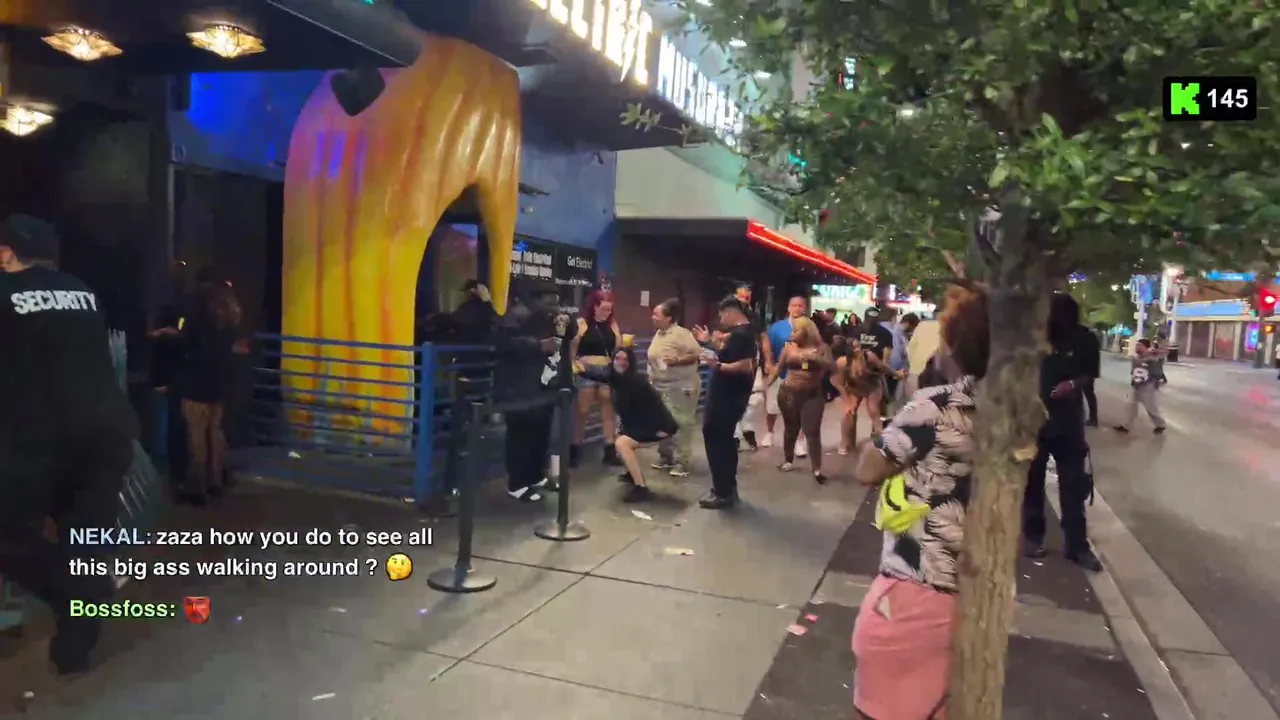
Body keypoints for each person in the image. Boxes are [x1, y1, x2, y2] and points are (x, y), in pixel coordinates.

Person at [0, 213, 137, 674]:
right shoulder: (82, 291)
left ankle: (69, 593)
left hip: (38, 439)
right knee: (88, 541)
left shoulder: (4, 293)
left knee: (9, 536)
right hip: (104, 434)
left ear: (7, 253)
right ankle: (76, 646)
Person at [848, 284, 988, 720]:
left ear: (957, 346)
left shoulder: (938, 406)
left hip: (917, 588)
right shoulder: (1015, 412)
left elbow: (869, 469)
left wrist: (880, 434)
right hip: (973, 589)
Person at [1022, 293, 1103, 571]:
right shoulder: (1034, 337)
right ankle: (1032, 537)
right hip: (1034, 421)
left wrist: (1073, 384)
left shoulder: (1085, 339)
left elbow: (1090, 373)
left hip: (1068, 422)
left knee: (1073, 485)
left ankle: (1077, 546)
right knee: (1032, 483)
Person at [493, 280, 576, 502]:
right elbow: (503, 344)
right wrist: (538, 345)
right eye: (551, 300)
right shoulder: (517, 314)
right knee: (521, 435)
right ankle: (517, 483)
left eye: (557, 301)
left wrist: (568, 321)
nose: (555, 305)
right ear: (538, 298)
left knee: (541, 433)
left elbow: (569, 335)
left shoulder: (552, 316)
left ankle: (536, 475)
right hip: (519, 386)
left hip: (544, 385)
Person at [173, 280, 242, 504]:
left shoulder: (199, 316)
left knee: (197, 435)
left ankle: (197, 487)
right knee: (215, 432)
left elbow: (184, 342)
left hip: (197, 381)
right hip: (219, 383)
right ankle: (215, 482)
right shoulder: (231, 319)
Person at [580, 347, 679, 502]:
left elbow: (654, 410)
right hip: (642, 424)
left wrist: (661, 430)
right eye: (618, 358)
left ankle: (641, 488)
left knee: (622, 443)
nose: (621, 362)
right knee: (620, 435)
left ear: (631, 363)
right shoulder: (617, 378)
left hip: (658, 426)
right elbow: (598, 375)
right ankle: (631, 474)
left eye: (625, 360)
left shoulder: (634, 382)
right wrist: (580, 368)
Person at [693, 297, 759, 510]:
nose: (721, 320)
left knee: (716, 438)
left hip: (728, 397)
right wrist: (708, 342)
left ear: (730, 312)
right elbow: (728, 353)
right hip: (730, 396)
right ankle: (726, 487)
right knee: (723, 439)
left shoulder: (742, 335)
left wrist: (718, 366)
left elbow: (744, 365)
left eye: (722, 315)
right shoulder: (743, 334)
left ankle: (723, 492)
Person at [764, 316, 832, 483]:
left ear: (807, 331)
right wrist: (767, 384)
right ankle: (788, 460)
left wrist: (816, 358)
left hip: (813, 393)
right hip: (789, 392)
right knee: (790, 428)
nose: (791, 334)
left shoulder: (821, 348)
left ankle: (817, 469)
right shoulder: (788, 348)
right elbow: (779, 368)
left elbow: (831, 366)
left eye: (796, 331)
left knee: (812, 430)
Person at [646, 299, 703, 478]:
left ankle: (681, 462)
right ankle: (666, 456)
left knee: (681, 423)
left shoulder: (681, 334)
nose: (653, 317)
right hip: (660, 386)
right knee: (662, 422)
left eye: (656, 314)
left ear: (669, 318)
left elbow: (697, 354)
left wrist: (677, 360)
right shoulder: (659, 334)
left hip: (681, 386)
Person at [572, 290, 624, 467]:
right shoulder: (583, 324)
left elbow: (617, 348)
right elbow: (573, 347)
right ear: (594, 307)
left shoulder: (612, 325)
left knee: (609, 412)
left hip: (606, 370)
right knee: (582, 411)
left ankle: (609, 451)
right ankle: (574, 449)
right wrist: (574, 362)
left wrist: (619, 337)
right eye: (603, 309)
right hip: (586, 370)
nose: (606, 313)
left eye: (609, 309)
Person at [759, 296, 811, 453]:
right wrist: (768, 363)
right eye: (794, 305)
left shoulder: (810, 327)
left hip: (801, 373)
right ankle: (769, 432)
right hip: (779, 370)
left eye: (801, 306)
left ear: (805, 308)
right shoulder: (777, 327)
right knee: (772, 407)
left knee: (800, 409)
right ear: (788, 307)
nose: (797, 308)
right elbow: (767, 345)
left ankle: (800, 440)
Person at [1114, 338, 1167, 434]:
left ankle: (1161, 424)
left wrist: (1157, 383)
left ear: (1145, 347)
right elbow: (1133, 371)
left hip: (1147, 386)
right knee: (1130, 406)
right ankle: (1126, 425)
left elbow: (1158, 371)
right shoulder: (1136, 358)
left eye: (1139, 345)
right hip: (1136, 386)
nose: (1136, 347)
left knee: (1151, 408)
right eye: (1137, 345)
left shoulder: (1152, 359)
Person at [1078, 323, 1101, 427]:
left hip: (1083, 371)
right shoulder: (1091, 338)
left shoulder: (1083, 339)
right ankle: (1093, 418)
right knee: (1089, 395)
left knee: (1082, 395)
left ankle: (1086, 417)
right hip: (1089, 372)